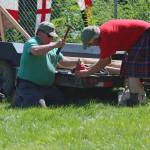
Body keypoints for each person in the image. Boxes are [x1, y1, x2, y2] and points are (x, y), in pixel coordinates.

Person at [76, 19, 150, 106]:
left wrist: (87, 73)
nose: (91, 46)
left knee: (132, 72)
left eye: (90, 44)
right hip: (141, 36)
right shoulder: (102, 32)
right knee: (131, 69)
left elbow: (105, 61)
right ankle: (141, 99)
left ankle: (134, 102)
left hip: (145, 35)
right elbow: (107, 59)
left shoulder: (106, 37)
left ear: (95, 38)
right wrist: (89, 68)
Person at [12, 21, 78, 108]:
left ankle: (25, 99)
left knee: (61, 104)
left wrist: (78, 62)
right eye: (49, 36)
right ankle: (20, 99)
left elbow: (62, 61)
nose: (51, 39)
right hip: (29, 85)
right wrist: (54, 45)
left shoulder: (51, 46)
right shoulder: (32, 42)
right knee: (38, 108)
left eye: (52, 37)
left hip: (46, 87)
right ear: (39, 33)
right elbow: (36, 51)